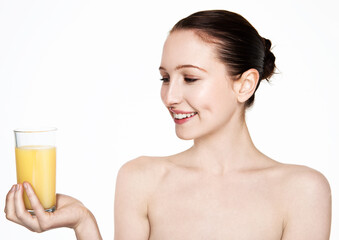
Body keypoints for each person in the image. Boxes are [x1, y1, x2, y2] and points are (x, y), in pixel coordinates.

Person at [5, 10, 331, 240]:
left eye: (189, 78)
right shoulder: (140, 179)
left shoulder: (303, 191)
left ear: (245, 84)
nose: (170, 96)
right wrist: (83, 223)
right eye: (165, 78)